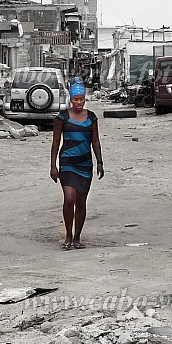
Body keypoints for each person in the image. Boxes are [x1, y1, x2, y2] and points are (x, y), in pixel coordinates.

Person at [49, 78, 104, 250]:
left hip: (85, 164)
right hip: (67, 163)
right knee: (69, 199)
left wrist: (100, 162)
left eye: (81, 99)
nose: (79, 102)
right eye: (76, 99)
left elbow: (95, 141)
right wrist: (53, 165)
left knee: (81, 202)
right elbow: (56, 141)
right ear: (70, 100)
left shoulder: (92, 118)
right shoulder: (62, 118)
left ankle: (77, 237)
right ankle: (68, 235)